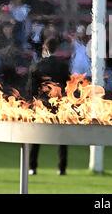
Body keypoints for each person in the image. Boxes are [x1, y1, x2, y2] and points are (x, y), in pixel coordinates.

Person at [27, 37, 70, 176]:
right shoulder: (63, 66)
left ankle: (32, 167)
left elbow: (32, 88)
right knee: (62, 137)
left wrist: (33, 103)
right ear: (57, 49)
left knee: (36, 136)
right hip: (59, 103)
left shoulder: (37, 65)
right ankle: (62, 168)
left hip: (42, 104)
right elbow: (69, 86)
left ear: (45, 49)